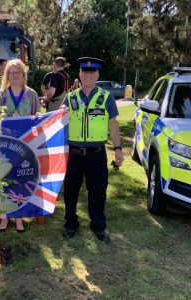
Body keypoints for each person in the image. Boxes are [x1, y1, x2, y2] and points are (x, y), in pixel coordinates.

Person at [61, 57, 124, 244]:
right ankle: (71, 223)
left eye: (92, 73)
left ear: (97, 75)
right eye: (85, 72)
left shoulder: (106, 98)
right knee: (71, 191)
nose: (88, 76)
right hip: (73, 154)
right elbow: (57, 122)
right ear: (79, 74)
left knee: (98, 191)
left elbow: (113, 125)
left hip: (96, 154)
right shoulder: (69, 98)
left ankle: (98, 226)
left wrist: (118, 148)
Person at [0, 59, 40, 233]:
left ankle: (19, 216)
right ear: (7, 75)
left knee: (21, 180)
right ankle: (4, 216)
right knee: (4, 179)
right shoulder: (0, 95)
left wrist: (37, 115)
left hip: (25, 145)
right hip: (5, 145)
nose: (15, 76)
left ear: (23, 75)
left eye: (18, 73)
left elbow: (38, 117)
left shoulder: (32, 94)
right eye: (11, 73)